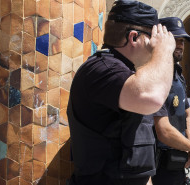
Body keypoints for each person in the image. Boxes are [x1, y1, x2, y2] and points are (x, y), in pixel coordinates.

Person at [66, 1, 176, 185]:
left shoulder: (129, 75)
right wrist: (164, 50)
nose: (157, 44)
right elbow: (152, 98)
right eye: (154, 37)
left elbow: (138, 153)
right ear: (133, 37)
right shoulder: (102, 70)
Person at [151, 17, 190, 185]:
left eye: (183, 41)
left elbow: (187, 114)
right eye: (175, 39)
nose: (180, 44)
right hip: (160, 163)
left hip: (179, 159)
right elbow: (163, 130)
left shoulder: (178, 74)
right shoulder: (153, 74)